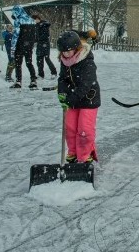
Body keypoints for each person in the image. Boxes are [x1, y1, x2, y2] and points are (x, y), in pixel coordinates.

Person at [55, 30, 102, 163]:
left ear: (77, 48)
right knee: (70, 128)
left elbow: (86, 85)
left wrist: (70, 99)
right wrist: (62, 93)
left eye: (69, 51)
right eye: (63, 52)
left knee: (84, 130)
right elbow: (62, 79)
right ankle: (73, 152)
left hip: (89, 99)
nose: (66, 54)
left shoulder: (87, 62)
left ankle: (84, 155)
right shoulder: (65, 61)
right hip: (72, 99)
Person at [9, 5, 38, 89]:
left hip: (19, 45)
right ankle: (33, 80)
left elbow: (16, 35)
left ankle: (18, 81)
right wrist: (31, 44)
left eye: (14, 12)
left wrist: (13, 46)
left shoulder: (18, 20)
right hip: (29, 46)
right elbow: (35, 36)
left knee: (18, 64)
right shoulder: (32, 21)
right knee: (29, 63)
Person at [33, 13, 58, 78]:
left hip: (45, 44)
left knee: (47, 59)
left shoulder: (44, 25)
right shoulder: (36, 26)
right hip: (39, 44)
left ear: (38, 19)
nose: (34, 21)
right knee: (39, 59)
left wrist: (37, 39)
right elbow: (36, 36)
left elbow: (45, 35)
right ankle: (41, 74)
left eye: (35, 20)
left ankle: (54, 72)